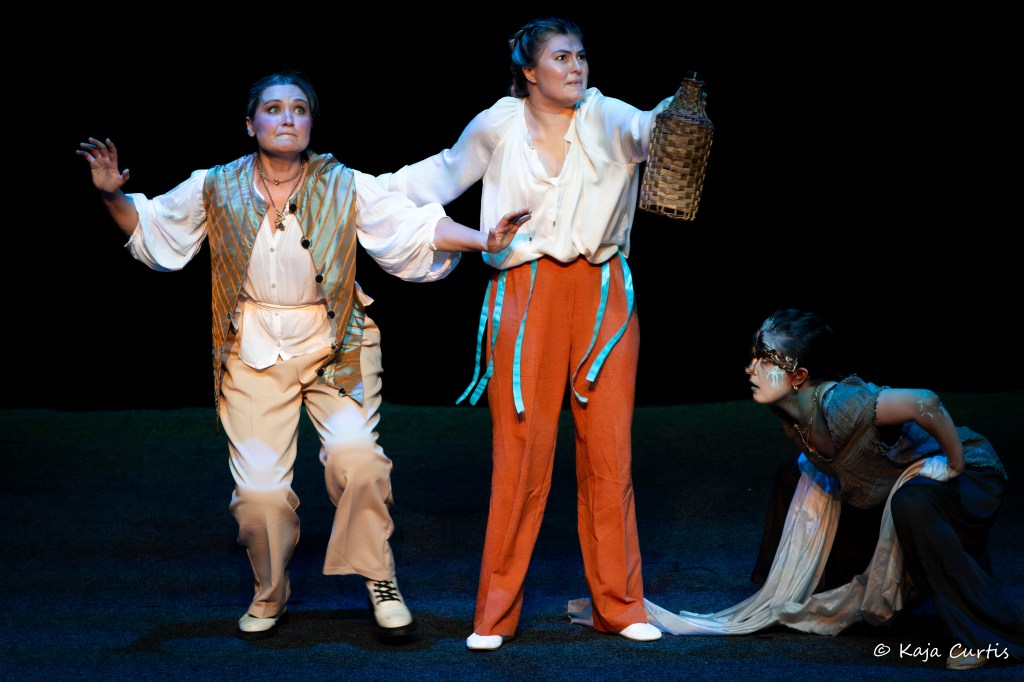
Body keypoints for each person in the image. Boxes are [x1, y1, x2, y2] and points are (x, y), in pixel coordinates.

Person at [76, 69, 526, 641]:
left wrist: (484, 239)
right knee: (259, 495)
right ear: (250, 124)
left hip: (335, 344)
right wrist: (111, 194)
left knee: (359, 462)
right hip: (252, 350)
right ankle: (270, 591)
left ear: (311, 123)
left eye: (299, 109)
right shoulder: (214, 184)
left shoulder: (344, 182)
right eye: (273, 109)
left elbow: (412, 229)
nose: (287, 118)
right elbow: (153, 229)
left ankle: (379, 577)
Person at [379, 17, 682, 650]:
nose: (577, 67)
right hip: (525, 291)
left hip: (603, 293)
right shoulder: (499, 124)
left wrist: (675, 113)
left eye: (581, 56)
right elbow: (439, 174)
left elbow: (648, 129)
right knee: (519, 456)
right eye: (562, 57)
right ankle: (494, 615)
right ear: (529, 71)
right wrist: (361, 193)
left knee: (610, 454)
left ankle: (620, 605)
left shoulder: (604, 114)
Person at [633, 308, 1024, 672]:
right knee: (794, 476)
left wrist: (954, 462)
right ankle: (798, 595)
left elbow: (925, 401)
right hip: (887, 487)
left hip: (968, 475)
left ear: (798, 376)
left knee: (912, 502)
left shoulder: (843, 404)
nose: (751, 367)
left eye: (765, 361)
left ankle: (988, 639)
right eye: (754, 356)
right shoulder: (792, 415)